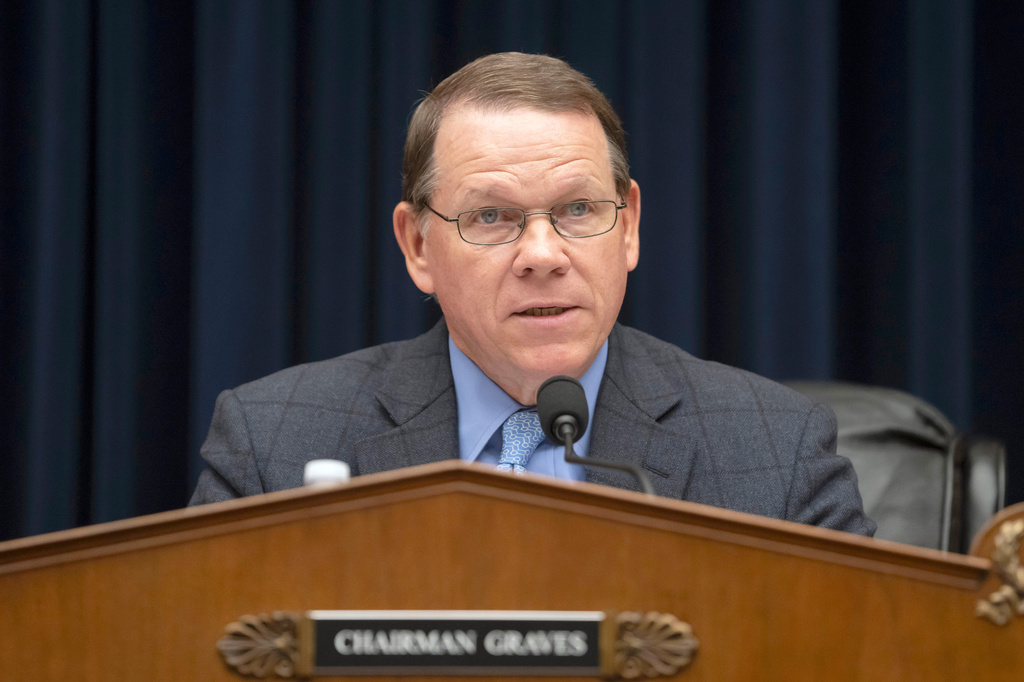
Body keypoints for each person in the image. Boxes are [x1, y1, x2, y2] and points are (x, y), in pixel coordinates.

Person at [189, 52, 875, 536]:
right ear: (418, 246)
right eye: (492, 217)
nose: (543, 256)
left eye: (578, 210)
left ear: (628, 227)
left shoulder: (777, 451)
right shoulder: (272, 444)